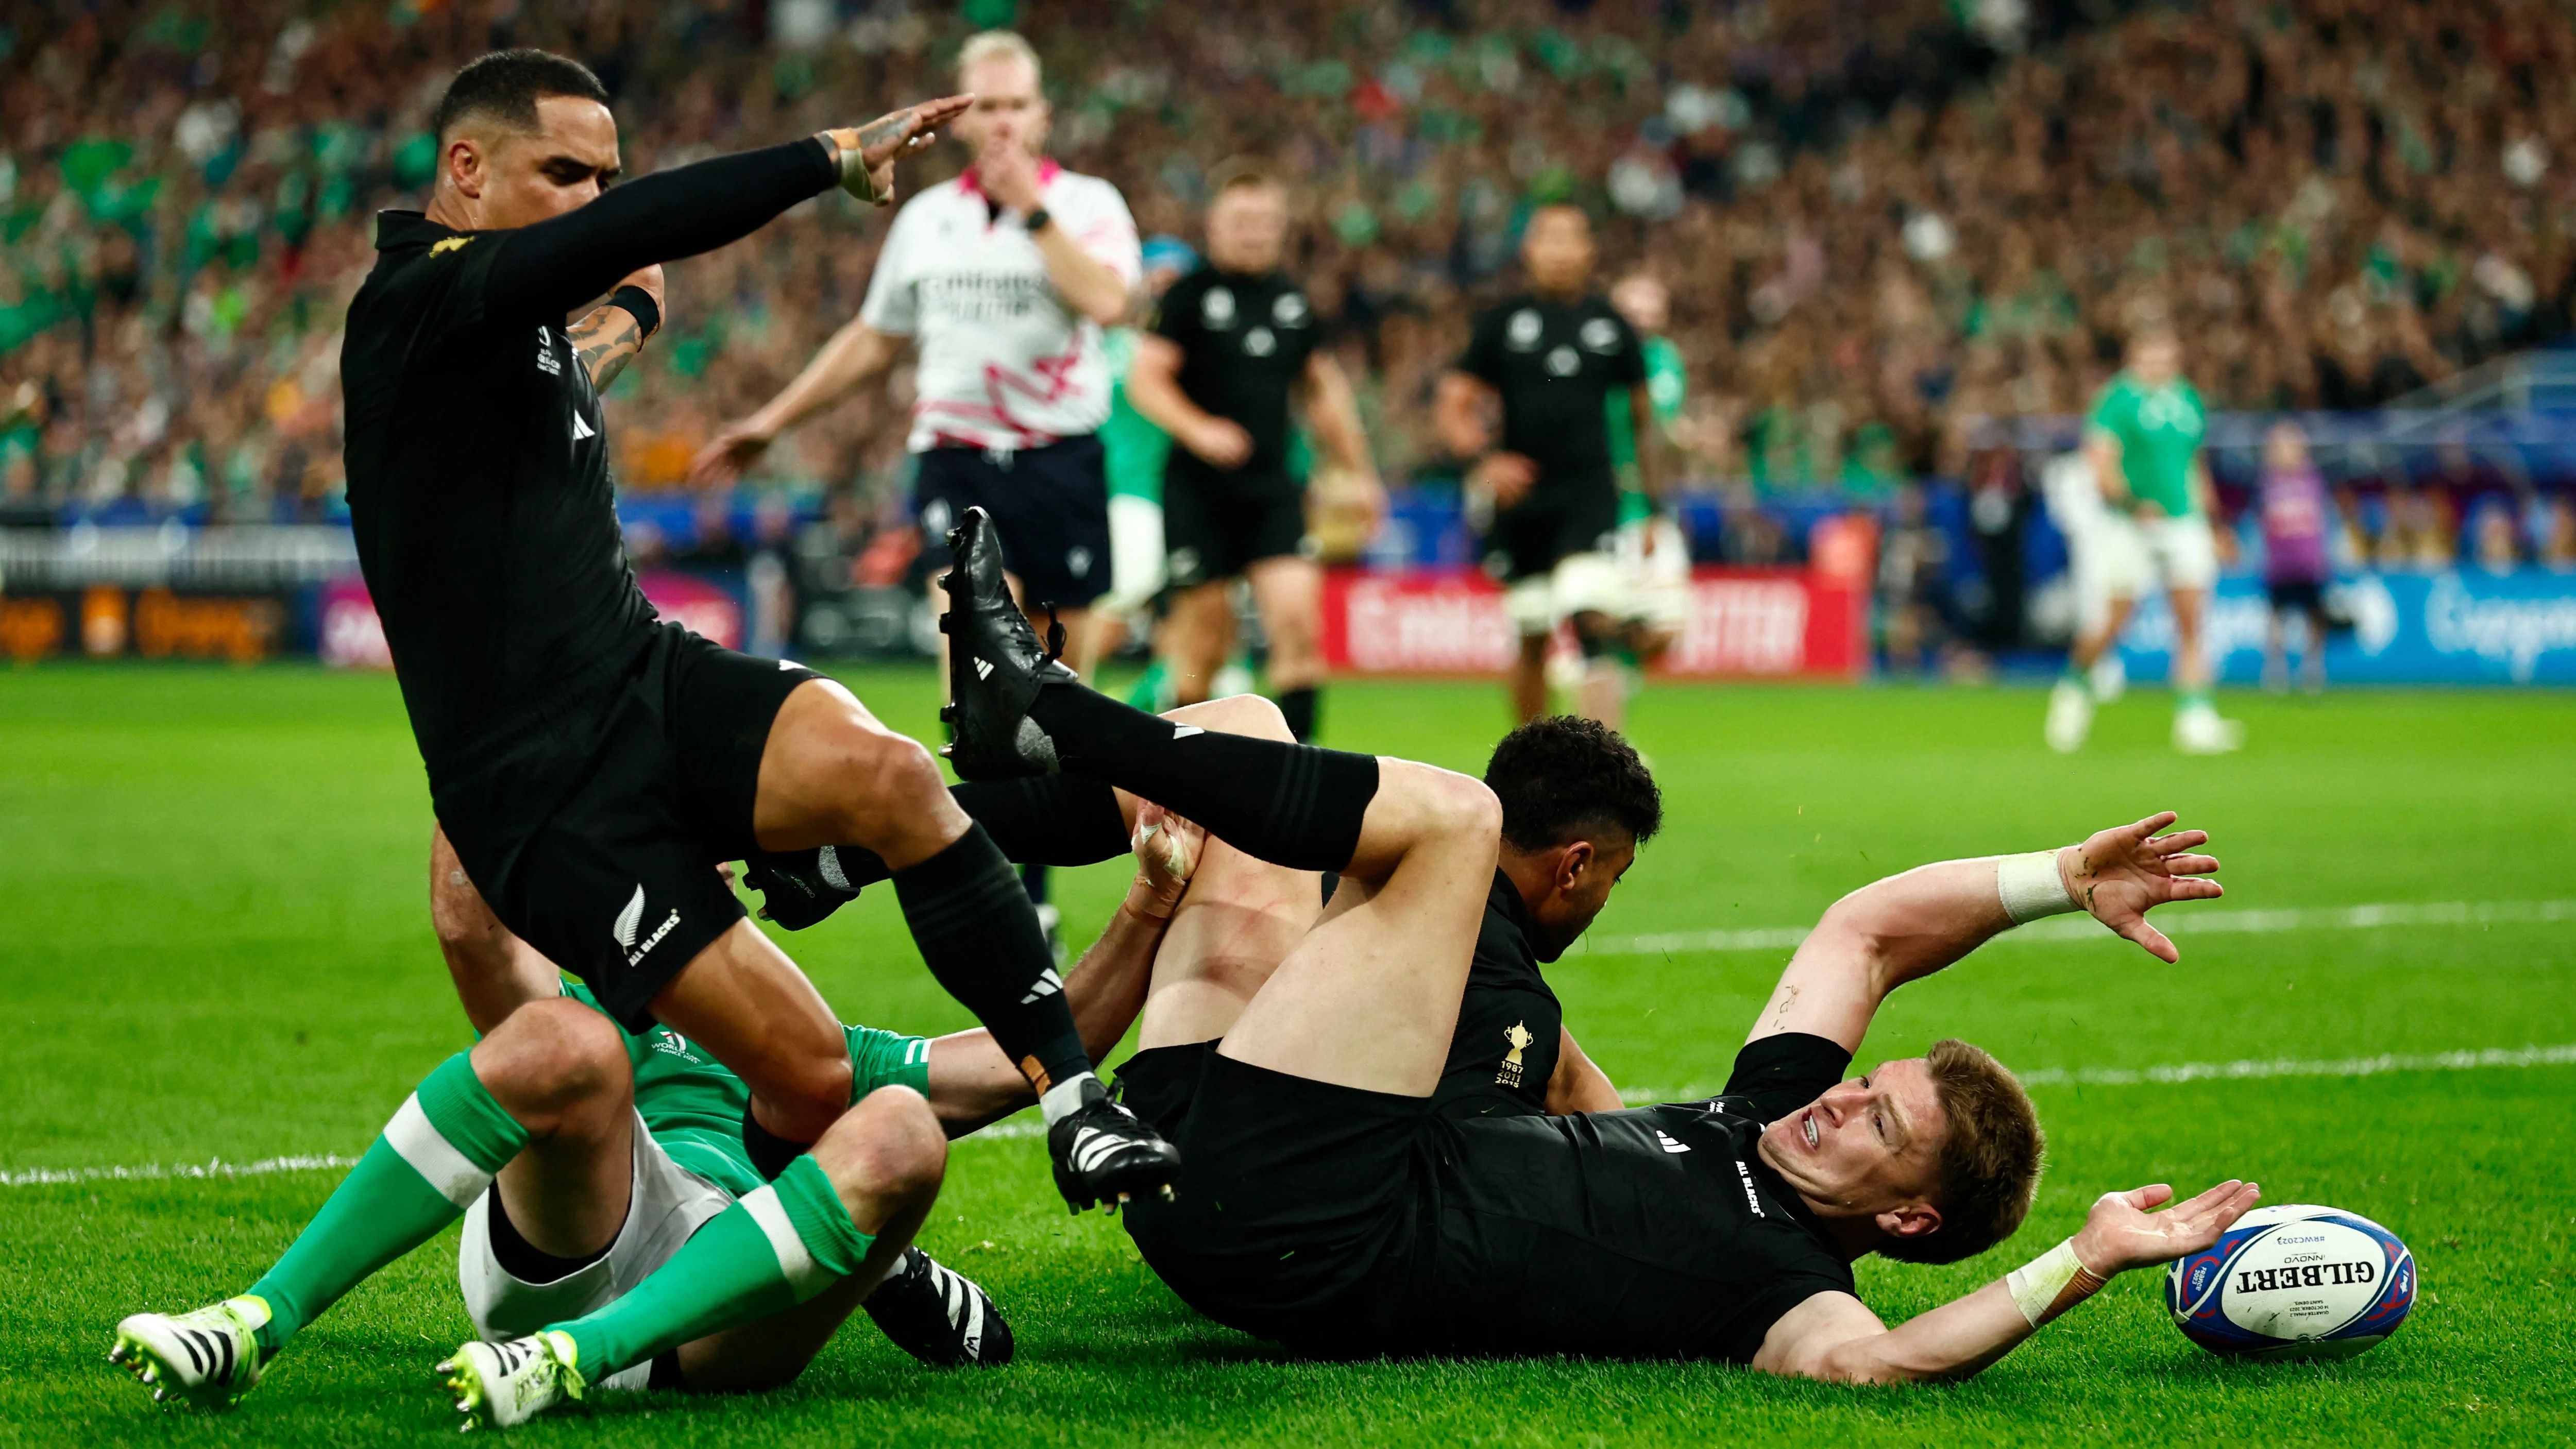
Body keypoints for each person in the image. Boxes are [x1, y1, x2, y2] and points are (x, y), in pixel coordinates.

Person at [920, 510, 2256, 1374]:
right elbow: (1866, 933)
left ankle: (1054, 716)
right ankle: (908, 816)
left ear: (1903, 1213)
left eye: (1873, 1121)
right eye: (1870, 1079)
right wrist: (2055, 874)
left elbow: (1883, 1364)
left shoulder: (1782, 1279)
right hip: (1211, 1148)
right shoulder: (1767, 1116)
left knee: (1456, 822)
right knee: (1249, 727)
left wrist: (2079, 1260)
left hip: (1312, 1223)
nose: (1843, 1095)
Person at [335, 49, 1175, 1219]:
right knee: (806, 1072)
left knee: (887, 769)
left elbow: (588, 356)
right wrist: (830, 159)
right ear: (466, 169)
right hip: (546, 788)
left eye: (605, 176)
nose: (592, 200)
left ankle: (1077, 1102)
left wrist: (632, 307)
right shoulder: (421, 297)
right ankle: (870, 1264)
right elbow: (640, 226)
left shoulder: (510, 338)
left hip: (644, 677)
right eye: (565, 173)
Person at [109, 813, 1208, 1423]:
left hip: (717, 1299)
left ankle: (576, 1357)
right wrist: (478, 714)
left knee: (906, 1132)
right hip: (575, 1227)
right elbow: (465, 918)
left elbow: (1032, 1058)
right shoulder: (588, 984)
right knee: (567, 1043)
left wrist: (1150, 899)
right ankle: (256, 1319)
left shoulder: (804, 1040)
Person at [690, 29, 1139, 667]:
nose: (1003, 122)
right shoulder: (927, 219)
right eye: (986, 106)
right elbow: (874, 338)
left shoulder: (1089, 204)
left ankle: (1059, 770)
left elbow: (1110, 304)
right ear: (960, 121)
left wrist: (1031, 211)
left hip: (1058, 459)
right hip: (956, 457)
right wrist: (772, 421)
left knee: (1062, 682)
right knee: (977, 654)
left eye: (1017, 105)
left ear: (1044, 115)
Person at [1123, 161, 1381, 743]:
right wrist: (1199, 429)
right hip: (1197, 490)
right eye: (1241, 220)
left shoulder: (1292, 300)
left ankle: (1298, 775)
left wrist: (1360, 473)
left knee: (1297, 626)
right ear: (1215, 224)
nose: (1254, 232)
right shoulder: (1187, 296)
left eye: (1265, 221)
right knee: (1200, 646)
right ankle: (1181, 772)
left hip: (1272, 489)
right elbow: (1146, 379)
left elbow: (1322, 391)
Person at [1436, 207, 1655, 728]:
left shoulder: (1611, 324)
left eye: (1570, 239)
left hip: (1590, 493)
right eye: (1548, 239)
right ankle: (1532, 759)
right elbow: (1453, 403)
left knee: (1591, 615)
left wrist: (1650, 504)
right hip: (1524, 502)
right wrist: (1484, 460)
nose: (1559, 251)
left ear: (1588, 250)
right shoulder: (1503, 322)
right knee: (1532, 632)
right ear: (1529, 250)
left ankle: (1605, 766)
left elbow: (1643, 421)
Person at [2045, 321, 2243, 755]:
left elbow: (2194, 466)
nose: (2159, 361)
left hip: (2183, 520)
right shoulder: (2117, 400)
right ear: (2135, 355)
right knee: (2115, 619)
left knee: (2192, 620)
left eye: (2166, 352)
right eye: (2151, 352)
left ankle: (2195, 717)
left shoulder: (2187, 400)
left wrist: (2214, 522)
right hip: (2130, 523)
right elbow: (2102, 463)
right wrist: (2133, 504)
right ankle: (2074, 688)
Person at [1086, 235, 1200, 693]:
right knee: (1116, 608)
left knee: (1185, 626)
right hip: (1121, 497)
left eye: (1174, 282)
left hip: (1165, 499)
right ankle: (1057, 702)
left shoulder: (1174, 352)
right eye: (1156, 279)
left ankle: (1134, 713)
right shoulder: (1112, 345)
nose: (1163, 290)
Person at [1605, 271, 1692, 670]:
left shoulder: (1666, 359)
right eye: (1633, 310)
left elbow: (1662, 429)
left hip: (1652, 506)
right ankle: (1589, 698)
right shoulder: (1599, 363)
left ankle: (1599, 692)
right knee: (1604, 625)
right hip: (1609, 511)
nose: (1643, 319)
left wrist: (1688, 437)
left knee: (1669, 627)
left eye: (1652, 310)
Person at [2256, 420, 2334, 694]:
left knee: (2315, 616)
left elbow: (2323, 523)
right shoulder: (2267, 484)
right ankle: (2277, 669)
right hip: (2279, 565)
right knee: (2277, 618)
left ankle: (2313, 668)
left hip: (2309, 564)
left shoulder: (2314, 482)